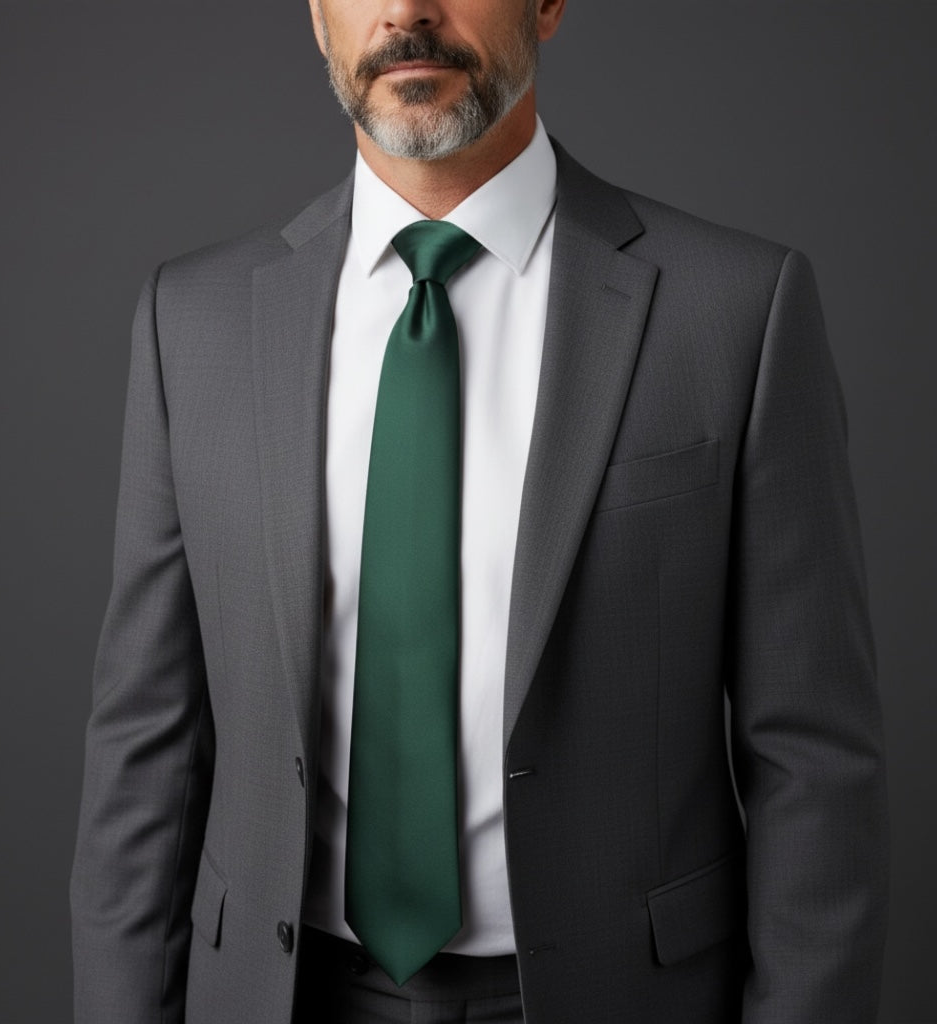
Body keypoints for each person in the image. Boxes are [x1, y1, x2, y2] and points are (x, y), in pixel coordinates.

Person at [68, 0, 889, 1021]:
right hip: (283, 994)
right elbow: (144, 746)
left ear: (547, 4)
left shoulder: (735, 311)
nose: (408, 12)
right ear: (318, 16)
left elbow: (811, 757)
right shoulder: (189, 324)